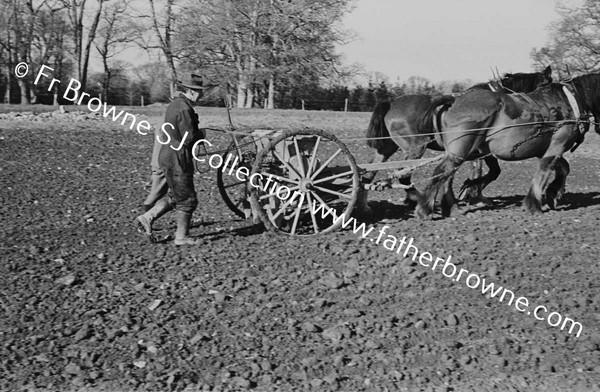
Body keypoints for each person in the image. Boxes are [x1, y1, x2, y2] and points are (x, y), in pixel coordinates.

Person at [135, 73, 206, 245]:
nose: (200, 95)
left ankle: (147, 217)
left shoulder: (176, 104)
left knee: (177, 195)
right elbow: (187, 138)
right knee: (188, 199)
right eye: (198, 91)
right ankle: (181, 237)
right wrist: (201, 135)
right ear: (190, 91)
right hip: (177, 158)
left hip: (168, 155)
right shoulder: (184, 108)